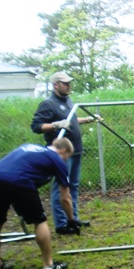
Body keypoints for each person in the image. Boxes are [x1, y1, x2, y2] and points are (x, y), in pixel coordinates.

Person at [0, 138, 78, 269]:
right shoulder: (56, 159)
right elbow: (65, 198)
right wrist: (71, 220)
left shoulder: (29, 147)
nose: (66, 160)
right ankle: (49, 265)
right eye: (68, 156)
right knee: (39, 221)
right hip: (20, 180)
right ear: (63, 151)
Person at [31, 72, 102, 234]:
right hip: (60, 153)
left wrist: (88, 119)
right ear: (56, 85)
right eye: (65, 83)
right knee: (61, 188)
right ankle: (62, 224)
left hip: (75, 150)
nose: (68, 86)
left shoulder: (68, 101)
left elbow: (71, 120)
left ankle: (73, 218)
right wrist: (55, 125)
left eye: (69, 83)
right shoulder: (48, 104)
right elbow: (36, 126)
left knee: (73, 186)